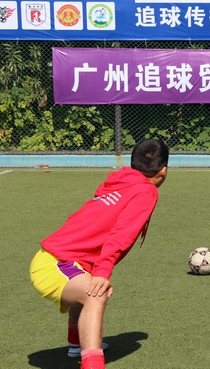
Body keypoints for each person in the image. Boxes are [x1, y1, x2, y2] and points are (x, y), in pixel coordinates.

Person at [29, 139, 169, 369]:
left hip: (58, 259)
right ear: (163, 170)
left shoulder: (122, 179)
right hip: (55, 263)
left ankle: (76, 344)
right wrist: (102, 272)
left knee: (88, 285)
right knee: (96, 293)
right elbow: (121, 234)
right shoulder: (146, 191)